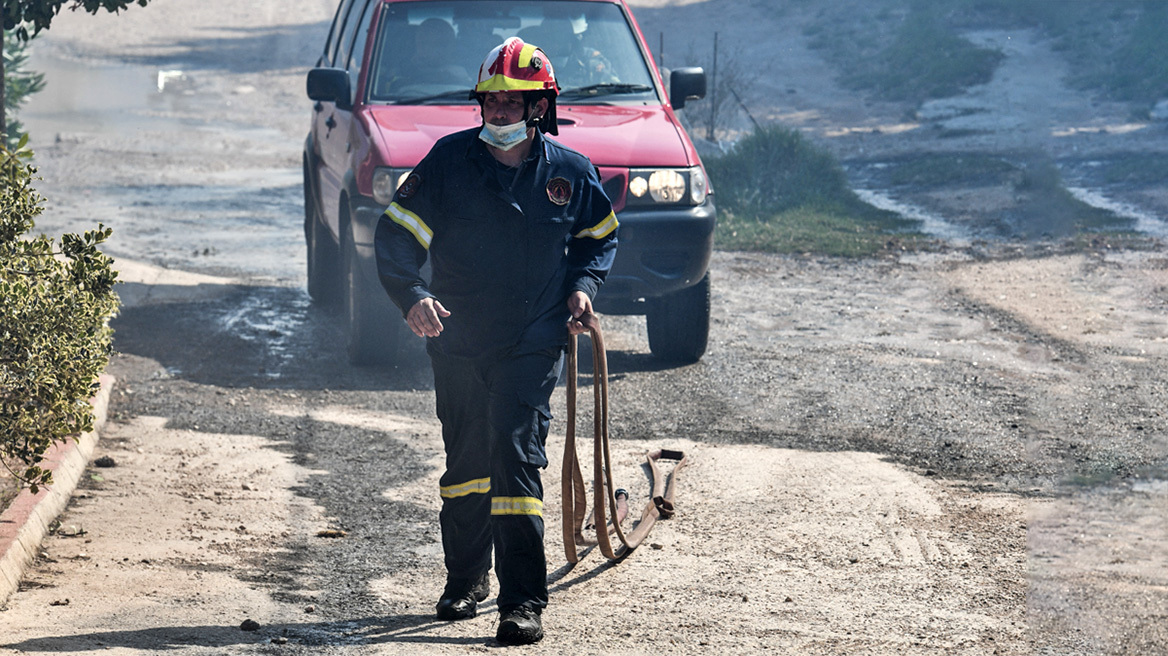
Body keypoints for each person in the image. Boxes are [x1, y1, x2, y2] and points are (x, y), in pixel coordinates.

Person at [373, 37, 618, 646]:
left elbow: (599, 238)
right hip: (456, 340)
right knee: (466, 468)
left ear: (540, 107)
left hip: (533, 342)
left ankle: (522, 602)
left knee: (514, 460)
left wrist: (585, 285)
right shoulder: (447, 164)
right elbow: (396, 237)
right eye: (493, 102)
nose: (502, 114)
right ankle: (465, 582)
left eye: (515, 103)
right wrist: (411, 295)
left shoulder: (570, 173)